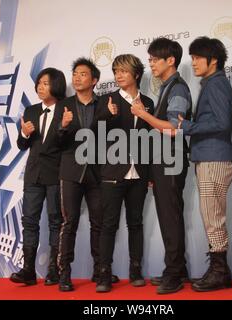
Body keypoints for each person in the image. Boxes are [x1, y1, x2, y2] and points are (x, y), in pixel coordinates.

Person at [131, 38, 192, 294]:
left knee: (170, 218)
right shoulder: (167, 87)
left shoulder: (177, 88)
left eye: (155, 59)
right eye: (150, 59)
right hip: (163, 162)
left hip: (171, 161)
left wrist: (143, 114)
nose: (151, 64)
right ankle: (177, 270)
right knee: (170, 217)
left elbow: (174, 129)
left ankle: (175, 274)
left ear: (171, 60)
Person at [54, 57, 118, 292]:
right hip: (71, 171)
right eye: (75, 74)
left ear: (94, 80)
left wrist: (110, 118)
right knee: (69, 223)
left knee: (98, 223)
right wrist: (62, 126)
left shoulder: (104, 104)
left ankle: (101, 272)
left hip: (97, 172)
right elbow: (57, 142)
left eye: (83, 74)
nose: (77, 78)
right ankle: (65, 274)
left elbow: (109, 139)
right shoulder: (64, 105)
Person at [178, 36, 232, 292]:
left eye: (197, 58)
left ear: (213, 60)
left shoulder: (217, 85)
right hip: (209, 157)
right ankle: (219, 271)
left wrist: (187, 126)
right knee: (211, 215)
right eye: (191, 58)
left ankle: (219, 272)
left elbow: (222, 123)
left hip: (215, 158)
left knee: (213, 217)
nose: (194, 63)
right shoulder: (211, 84)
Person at [94, 54, 154, 293]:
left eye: (123, 71)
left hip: (138, 173)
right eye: (116, 71)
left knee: (136, 223)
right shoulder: (107, 100)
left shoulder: (148, 102)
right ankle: (104, 274)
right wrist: (108, 115)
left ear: (136, 75)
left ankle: (136, 270)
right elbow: (95, 134)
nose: (118, 75)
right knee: (108, 225)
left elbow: (150, 141)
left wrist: (149, 172)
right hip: (112, 172)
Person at [10, 68, 66, 286]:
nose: (40, 87)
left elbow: (68, 143)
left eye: (46, 83)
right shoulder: (31, 110)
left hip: (56, 174)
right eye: (39, 83)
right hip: (33, 175)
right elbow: (21, 145)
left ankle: (54, 270)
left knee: (55, 222)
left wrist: (65, 127)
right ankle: (28, 270)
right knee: (29, 222)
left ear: (57, 85)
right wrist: (24, 133)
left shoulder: (66, 109)